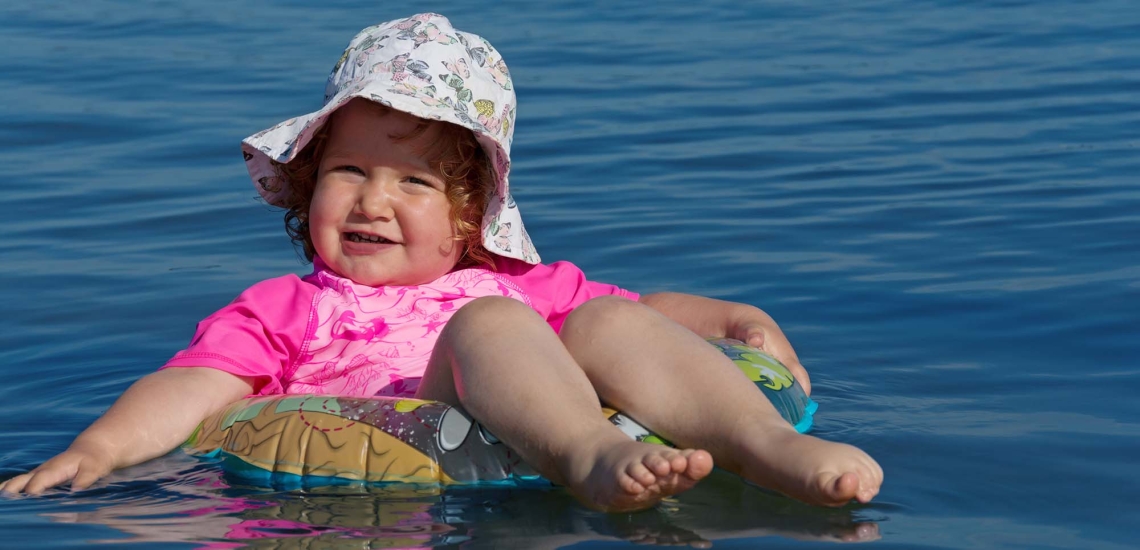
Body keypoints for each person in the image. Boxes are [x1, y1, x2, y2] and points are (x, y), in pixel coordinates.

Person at [0, 13, 882, 512]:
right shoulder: (288, 308)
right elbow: (191, 386)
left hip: (507, 399)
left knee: (600, 321)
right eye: (347, 171)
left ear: (469, 214)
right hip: (416, 460)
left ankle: (765, 447)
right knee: (490, 326)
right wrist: (98, 448)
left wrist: (736, 323)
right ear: (307, 184)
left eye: (413, 182)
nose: (372, 201)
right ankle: (586, 456)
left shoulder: (513, 283)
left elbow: (640, 309)